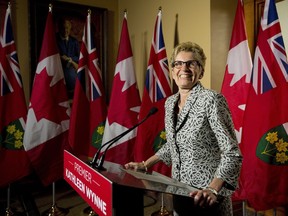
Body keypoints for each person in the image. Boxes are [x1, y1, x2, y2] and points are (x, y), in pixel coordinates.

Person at [125, 41, 243, 216]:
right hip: (180, 191)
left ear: (201, 71)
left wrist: (213, 189)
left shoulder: (212, 100)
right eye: (178, 64)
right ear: (173, 71)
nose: (184, 68)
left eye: (191, 63)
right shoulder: (170, 102)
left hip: (207, 197)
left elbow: (232, 153)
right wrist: (145, 164)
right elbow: (174, 144)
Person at [56, 17, 80, 99]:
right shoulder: (54, 39)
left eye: (67, 28)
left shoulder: (74, 41)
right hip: (58, 71)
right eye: (63, 28)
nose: (65, 30)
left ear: (70, 29)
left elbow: (78, 57)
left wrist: (70, 59)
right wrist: (60, 58)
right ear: (59, 28)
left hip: (72, 68)